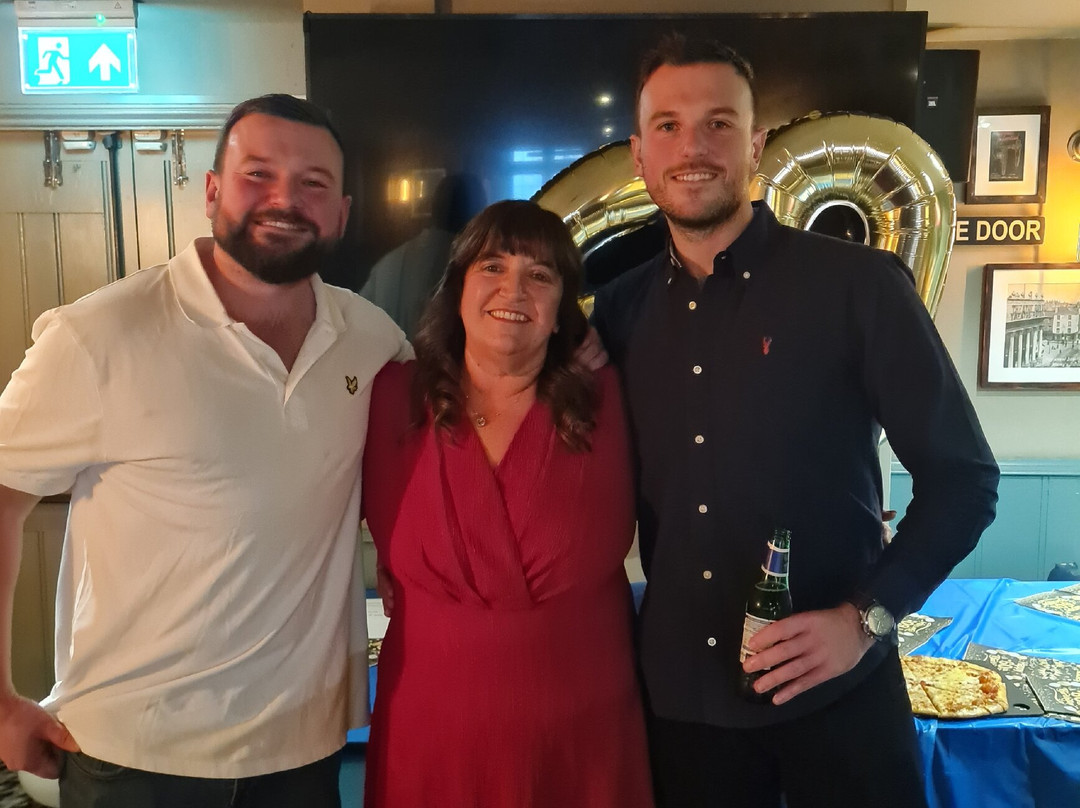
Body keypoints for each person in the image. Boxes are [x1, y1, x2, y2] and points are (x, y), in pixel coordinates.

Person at [590, 34, 1000, 808]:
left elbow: (965, 481)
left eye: (718, 123)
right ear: (640, 156)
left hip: (840, 704)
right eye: (669, 126)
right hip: (684, 716)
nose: (693, 147)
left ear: (756, 145)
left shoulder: (859, 286)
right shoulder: (615, 314)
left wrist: (864, 619)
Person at [0, 94, 410, 806]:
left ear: (342, 212)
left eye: (312, 183)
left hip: (301, 754)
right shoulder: (99, 335)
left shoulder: (370, 339)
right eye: (258, 174)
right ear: (212, 191)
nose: (285, 199)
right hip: (134, 758)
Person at [362, 199, 653, 808]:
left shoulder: (610, 397)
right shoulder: (389, 396)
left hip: (581, 741)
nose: (513, 290)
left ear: (562, 310)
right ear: (458, 287)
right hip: (430, 733)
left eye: (539, 274)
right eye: (492, 266)